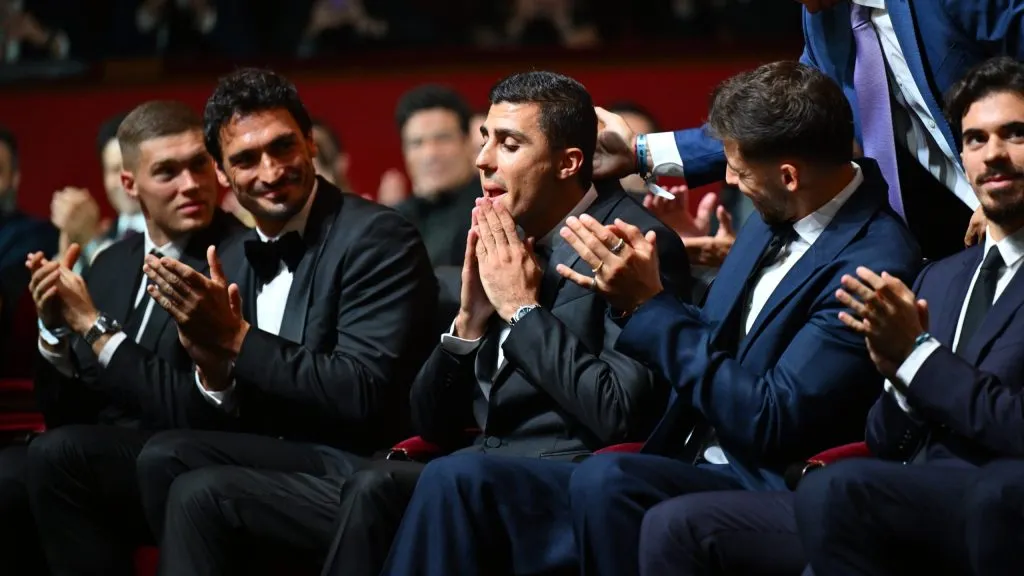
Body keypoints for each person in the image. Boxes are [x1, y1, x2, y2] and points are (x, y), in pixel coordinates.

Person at [377, 61, 922, 576]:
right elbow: (719, 338)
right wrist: (474, 318)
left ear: (788, 175)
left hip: (763, 477)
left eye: (736, 166)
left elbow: (769, 417)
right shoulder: (770, 214)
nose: (729, 181)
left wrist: (645, 303)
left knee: (589, 477)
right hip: (679, 452)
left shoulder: (873, 262)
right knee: (381, 486)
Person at [316, 70, 693, 576]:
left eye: (509, 144)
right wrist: (470, 321)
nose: (483, 159)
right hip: (483, 465)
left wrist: (521, 309)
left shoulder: (631, 242)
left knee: (454, 476)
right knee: (373, 484)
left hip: (573, 477)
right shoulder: (501, 232)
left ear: (568, 163)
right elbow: (430, 423)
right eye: (485, 139)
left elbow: (617, 413)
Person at [132, 68, 437, 575]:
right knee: (162, 455)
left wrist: (235, 340)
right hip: (285, 451)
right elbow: (235, 400)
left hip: (365, 463)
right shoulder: (228, 253)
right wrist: (215, 374)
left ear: (311, 143)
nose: (270, 171)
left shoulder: (378, 238)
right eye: (246, 160)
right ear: (222, 173)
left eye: (282, 148)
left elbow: (361, 392)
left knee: (199, 490)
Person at [794, 55, 1024, 576]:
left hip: (1003, 503)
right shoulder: (938, 278)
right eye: (975, 139)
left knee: (839, 493)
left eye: (1015, 134)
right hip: (921, 499)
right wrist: (899, 376)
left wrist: (918, 357)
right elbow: (886, 440)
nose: (993, 155)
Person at [592, 0, 1024, 261]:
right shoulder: (825, 19)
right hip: (951, 248)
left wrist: (1007, 196)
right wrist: (641, 152)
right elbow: (779, 123)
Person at [22, 100, 242, 576]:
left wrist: (93, 327)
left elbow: (191, 409)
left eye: (199, 164)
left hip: (186, 450)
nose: (191, 184)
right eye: (167, 171)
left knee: (57, 456)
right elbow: (66, 413)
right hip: (101, 453)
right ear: (129, 184)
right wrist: (54, 329)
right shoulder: (112, 263)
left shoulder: (238, 258)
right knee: (11, 474)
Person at [391, 84, 481, 269]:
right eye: (417, 143)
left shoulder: (493, 212)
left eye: (442, 138)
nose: (430, 154)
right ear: (404, 152)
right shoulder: (392, 221)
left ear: (467, 143)